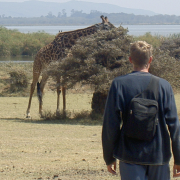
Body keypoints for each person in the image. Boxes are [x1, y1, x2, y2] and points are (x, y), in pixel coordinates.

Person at [102, 41, 180, 180]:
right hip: (159, 156)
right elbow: (174, 126)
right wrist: (178, 159)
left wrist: (109, 157)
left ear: (130, 60)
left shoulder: (119, 84)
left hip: (129, 155)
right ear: (150, 60)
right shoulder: (164, 86)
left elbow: (110, 124)